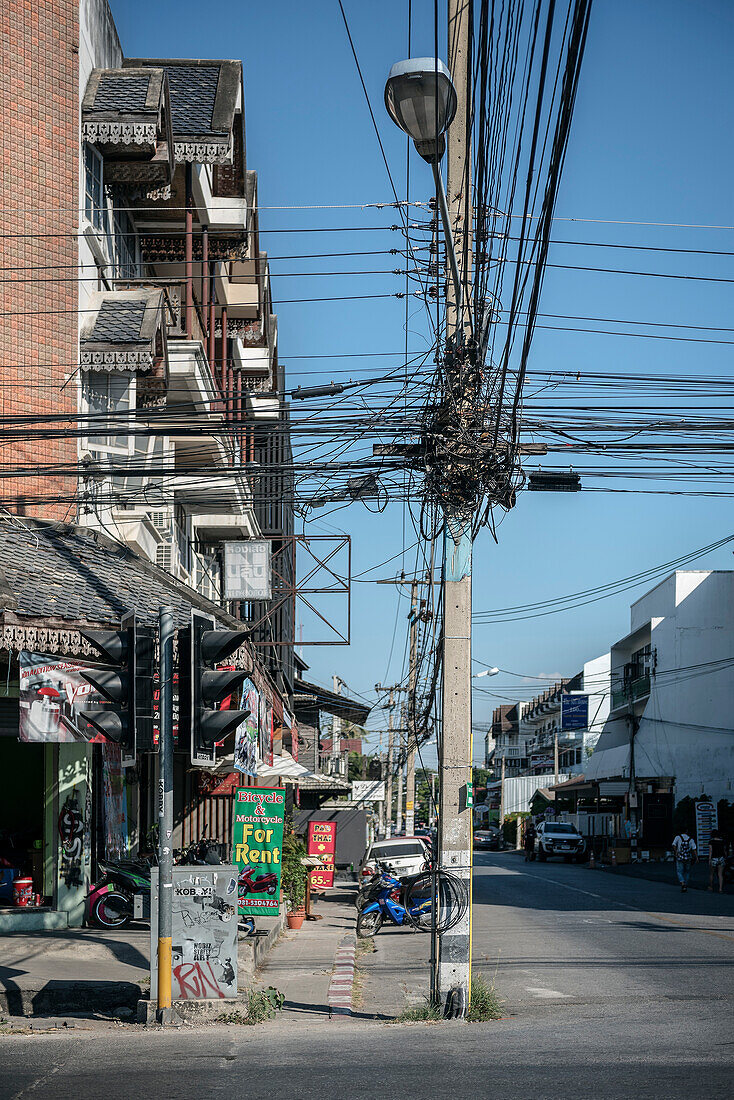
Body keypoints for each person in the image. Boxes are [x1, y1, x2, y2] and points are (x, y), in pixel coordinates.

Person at [707, 828, 728, 894]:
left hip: (713, 858)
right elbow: (724, 850)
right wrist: (725, 857)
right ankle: (720, 889)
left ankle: (711, 887)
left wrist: (709, 859)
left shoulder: (711, 841)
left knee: (711, 874)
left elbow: (711, 851)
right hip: (721, 858)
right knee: (720, 874)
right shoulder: (722, 841)